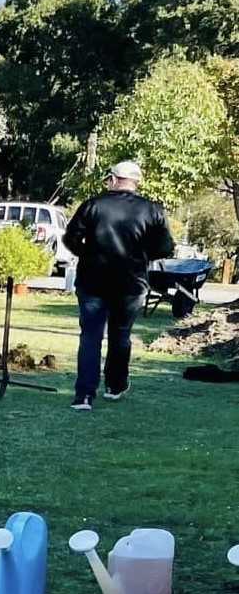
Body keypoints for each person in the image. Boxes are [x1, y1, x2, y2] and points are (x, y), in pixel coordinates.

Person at [62, 159, 174, 410]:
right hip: (130, 283)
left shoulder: (92, 205)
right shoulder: (153, 210)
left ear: (113, 179)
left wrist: (87, 252)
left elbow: (70, 237)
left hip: (93, 280)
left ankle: (84, 396)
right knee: (121, 335)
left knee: (90, 336)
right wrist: (142, 256)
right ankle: (115, 386)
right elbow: (165, 247)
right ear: (135, 183)